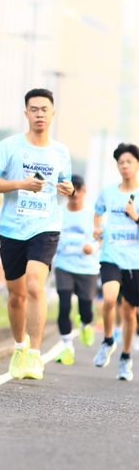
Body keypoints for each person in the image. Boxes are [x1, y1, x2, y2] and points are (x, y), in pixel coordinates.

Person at [0, 88, 73, 381]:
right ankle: (20, 346)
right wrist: (20, 184)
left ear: (52, 113)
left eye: (44, 109)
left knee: (35, 284)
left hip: (46, 226)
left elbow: (65, 184)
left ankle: (34, 354)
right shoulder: (10, 146)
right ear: (26, 113)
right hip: (12, 228)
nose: (39, 114)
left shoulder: (61, 152)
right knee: (16, 295)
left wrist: (68, 188)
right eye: (34, 109)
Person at [93, 143, 139, 381]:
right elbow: (97, 211)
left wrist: (135, 217)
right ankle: (108, 340)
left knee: (130, 313)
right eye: (121, 162)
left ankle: (125, 357)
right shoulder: (108, 192)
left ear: (137, 164)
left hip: (135, 261)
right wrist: (97, 229)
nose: (125, 166)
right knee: (109, 299)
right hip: (110, 255)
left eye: (129, 162)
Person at [53, 175, 100, 365]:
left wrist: (93, 247)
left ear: (84, 191)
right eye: (71, 191)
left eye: (78, 190)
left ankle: (86, 323)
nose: (74, 195)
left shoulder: (92, 213)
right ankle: (67, 346)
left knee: (85, 309)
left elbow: (101, 237)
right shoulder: (59, 212)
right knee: (64, 306)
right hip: (64, 265)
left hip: (87, 268)